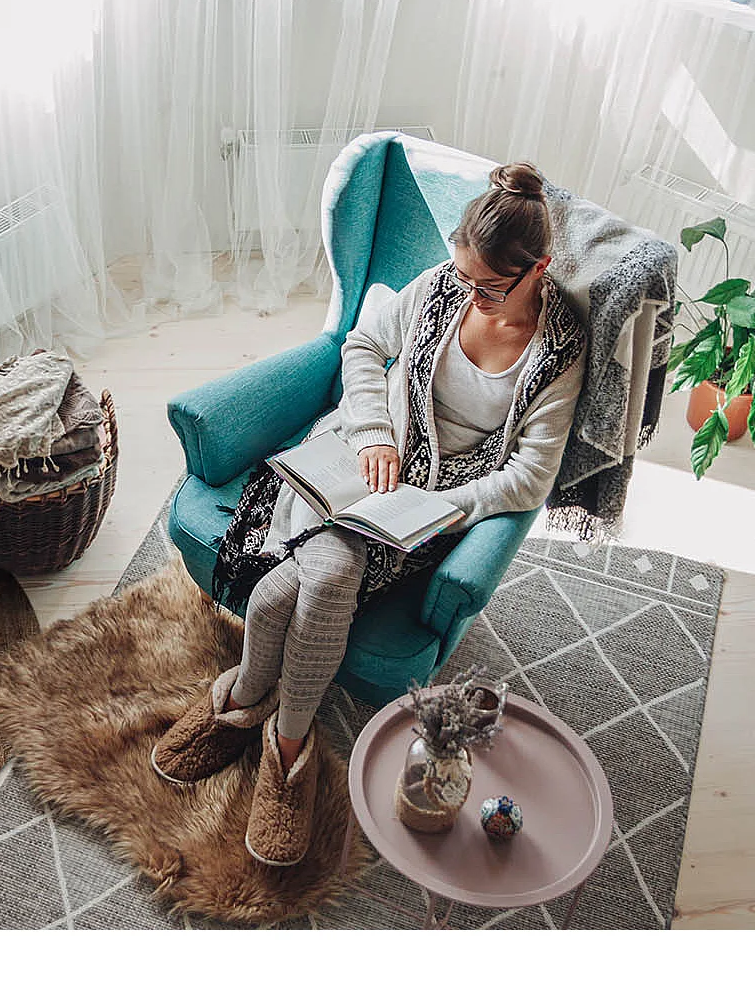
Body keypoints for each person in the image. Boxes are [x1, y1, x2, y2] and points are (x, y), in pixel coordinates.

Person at [151, 161, 588, 867]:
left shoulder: (559, 350)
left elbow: (530, 476)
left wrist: (444, 509)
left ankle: (254, 718)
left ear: (537, 268)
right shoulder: (446, 284)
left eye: (488, 287)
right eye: (462, 276)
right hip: (360, 451)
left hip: (434, 502)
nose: (469, 297)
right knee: (322, 579)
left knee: (296, 589)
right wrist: (375, 434)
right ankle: (281, 744)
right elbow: (362, 344)